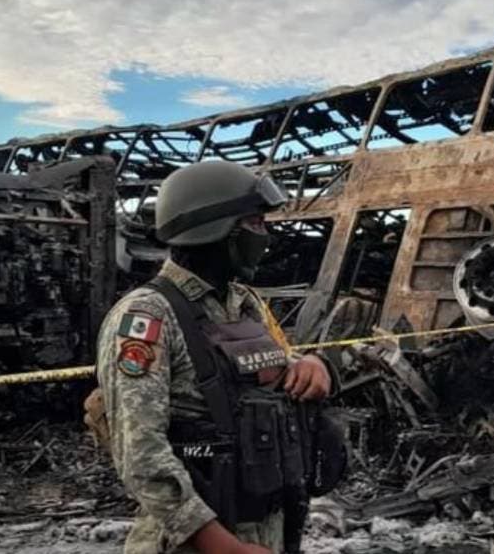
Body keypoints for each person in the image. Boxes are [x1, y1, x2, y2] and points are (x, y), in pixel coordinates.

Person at [89, 160, 338, 554]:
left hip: (265, 523)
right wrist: (222, 546)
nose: (265, 236)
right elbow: (141, 453)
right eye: (255, 223)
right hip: (192, 540)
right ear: (215, 229)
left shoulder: (244, 303)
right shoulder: (147, 316)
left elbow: (263, 375)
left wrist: (311, 366)